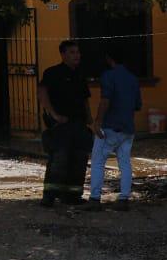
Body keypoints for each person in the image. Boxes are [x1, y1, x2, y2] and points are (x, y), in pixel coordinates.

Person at [37, 40, 93, 207]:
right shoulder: (52, 73)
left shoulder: (80, 74)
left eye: (78, 52)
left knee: (79, 160)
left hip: (79, 124)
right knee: (59, 160)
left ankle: (72, 196)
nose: (77, 55)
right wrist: (54, 115)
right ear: (63, 54)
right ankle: (49, 196)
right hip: (61, 125)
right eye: (72, 52)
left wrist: (89, 118)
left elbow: (85, 99)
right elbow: (42, 93)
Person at [87, 52, 142, 211]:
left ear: (109, 59)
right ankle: (124, 198)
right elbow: (137, 105)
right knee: (124, 163)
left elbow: (105, 100)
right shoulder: (133, 79)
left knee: (98, 162)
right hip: (127, 128)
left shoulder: (108, 76)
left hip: (110, 126)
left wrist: (98, 122)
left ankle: (95, 198)